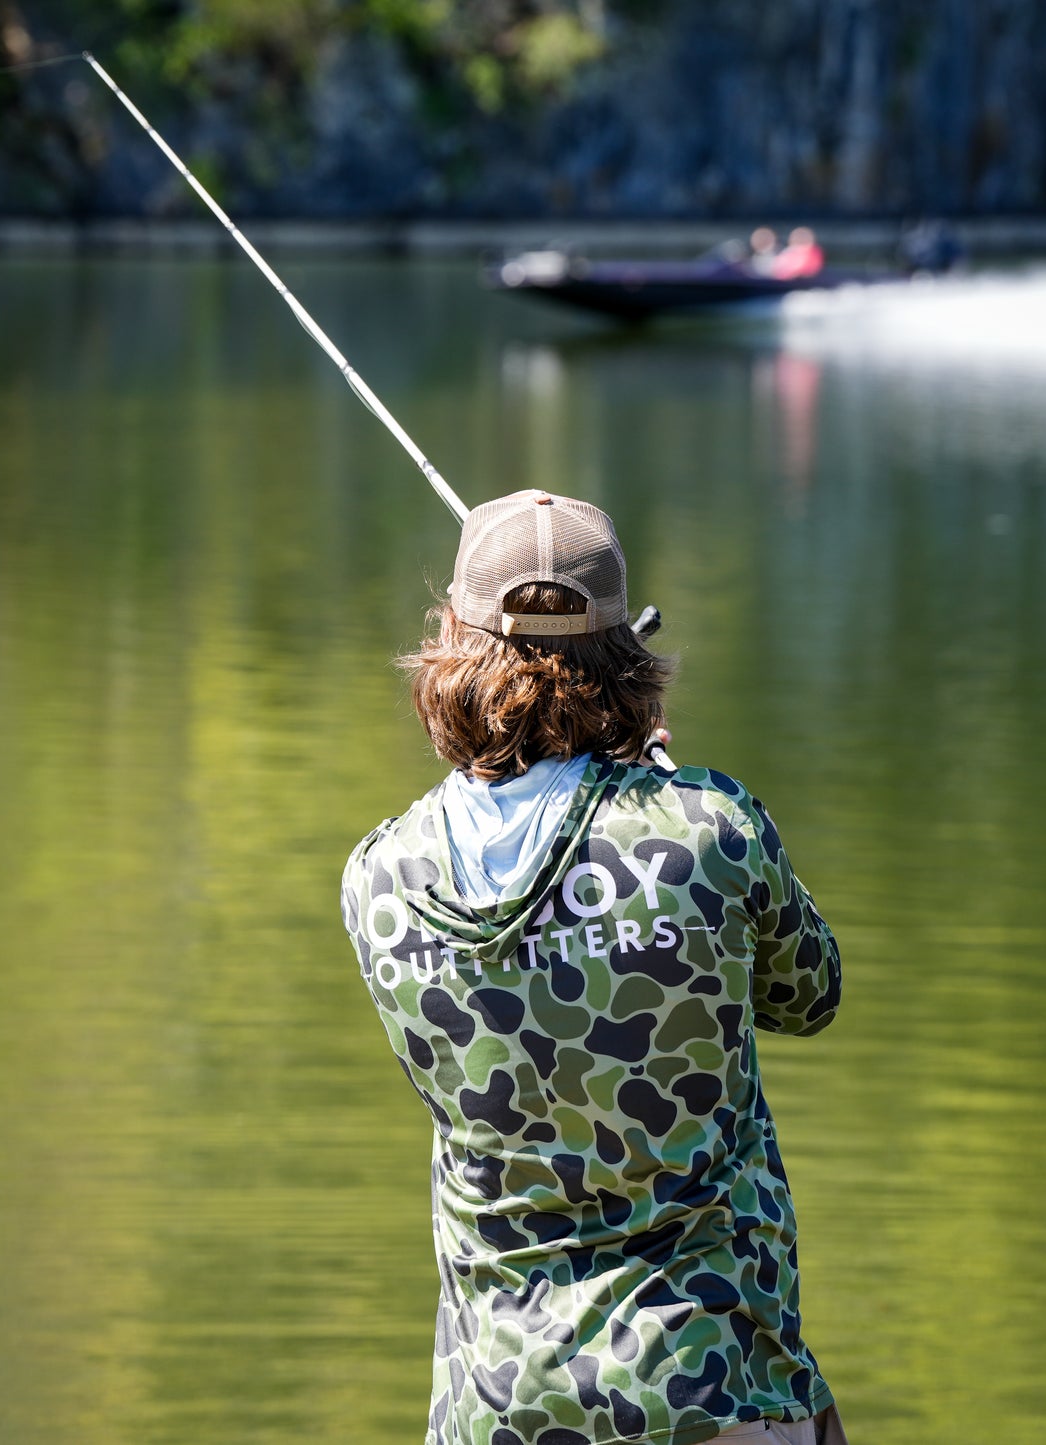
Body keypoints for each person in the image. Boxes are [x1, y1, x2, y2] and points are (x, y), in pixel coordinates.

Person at [340, 489, 847, 1445]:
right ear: (627, 658)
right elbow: (807, 995)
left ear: (450, 643)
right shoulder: (708, 829)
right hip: (715, 1387)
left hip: (497, 1406)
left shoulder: (378, 878)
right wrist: (657, 788)